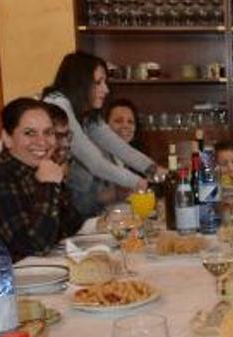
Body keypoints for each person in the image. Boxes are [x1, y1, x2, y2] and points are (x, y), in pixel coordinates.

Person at [42, 51, 155, 217]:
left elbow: (119, 146)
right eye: (98, 82)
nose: (106, 89)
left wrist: (154, 169)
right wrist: (137, 182)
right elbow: (94, 161)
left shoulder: (82, 110)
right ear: (80, 83)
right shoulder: (59, 104)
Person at [0, 98, 83, 261]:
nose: (42, 142)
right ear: (7, 138)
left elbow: (73, 224)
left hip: (46, 271)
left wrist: (57, 184)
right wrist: (49, 186)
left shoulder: (41, 167)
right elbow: (35, 246)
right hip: (14, 282)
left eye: (48, 132)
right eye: (30, 133)